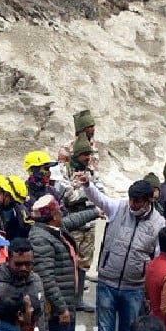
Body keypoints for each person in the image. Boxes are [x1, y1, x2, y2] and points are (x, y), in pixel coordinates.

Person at [75, 174, 165, 331]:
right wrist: (88, 185)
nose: (132, 204)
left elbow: (157, 258)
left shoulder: (159, 223)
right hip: (107, 283)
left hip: (134, 289)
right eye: (131, 199)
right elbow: (99, 199)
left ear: (149, 200)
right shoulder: (119, 208)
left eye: (138, 201)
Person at [28, 195, 98, 331]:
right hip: (56, 312)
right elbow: (46, 278)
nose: (63, 213)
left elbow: (74, 220)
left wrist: (96, 212)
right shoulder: (41, 239)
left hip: (66, 305)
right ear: (53, 216)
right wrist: (62, 308)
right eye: (59, 210)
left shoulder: (52, 230)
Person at [56, 116, 100, 312]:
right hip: (73, 222)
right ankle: (67, 299)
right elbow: (67, 196)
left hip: (89, 221)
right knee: (68, 261)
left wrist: (89, 192)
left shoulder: (90, 169)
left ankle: (79, 298)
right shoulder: (65, 169)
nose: (88, 158)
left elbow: (99, 189)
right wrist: (87, 192)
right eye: (85, 155)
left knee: (84, 262)